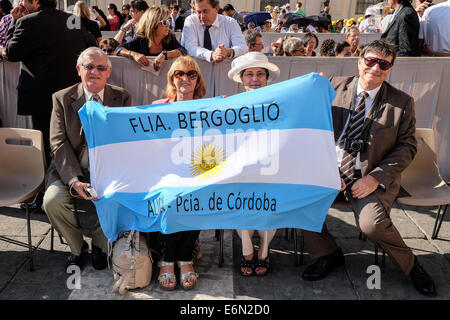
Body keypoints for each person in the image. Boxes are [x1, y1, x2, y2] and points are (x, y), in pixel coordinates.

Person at [301, 40, 436, 297]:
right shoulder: (331, 87)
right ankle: (327, 254)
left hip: (369, 177)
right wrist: (327, 170)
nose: (375, 68)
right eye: (370, 60)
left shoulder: (402, 102)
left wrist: (375, 178)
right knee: (302, 201)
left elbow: (407, 146)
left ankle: (411, 266)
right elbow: (308, 128)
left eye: (383, 64)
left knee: (372, 225)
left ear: (390, 69)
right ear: (359, 60)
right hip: (330, 170)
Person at [42, 47, 132, 271]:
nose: (94, 72)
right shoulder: (62, 98)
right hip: (69, 168)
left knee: (117, 197)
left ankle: (101, 246)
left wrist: (113, 124)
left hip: (107, 170)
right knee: (51, 201)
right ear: (78, 70)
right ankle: (77, 248)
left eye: (101, 67)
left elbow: (127, 143)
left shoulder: (121, 97)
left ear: (108, 72)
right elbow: (58, 143)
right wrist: (73, 180)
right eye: (89, 67)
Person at [0, 0, 97, 167]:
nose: (22, 3)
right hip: (71, 92)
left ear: (36, 1)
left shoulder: (26, 22)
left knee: (46, 141)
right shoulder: (72, 19)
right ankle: (68, 180)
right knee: (71, 139)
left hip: (41, 95)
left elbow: (11, 53)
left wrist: (14, 22)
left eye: (24, 0)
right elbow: (92, 45)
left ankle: (50, 182)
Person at [151, 56, 206, 290]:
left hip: (198, 173)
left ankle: (185, 257)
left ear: (198, 79)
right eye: (179, 74)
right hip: (165, 173)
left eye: (191, 74)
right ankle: (167, 258)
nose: (185, 78)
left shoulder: (209, 108)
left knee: (201, 192)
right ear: (172, 79)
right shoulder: (157, 107)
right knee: (170, 194)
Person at [227, 52, 280, 276]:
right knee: (241, 199)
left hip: (272, 170)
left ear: (267, 78)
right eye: (249, 74)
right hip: (240, 172)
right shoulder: (229, 106)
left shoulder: (279, 104)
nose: (255, 79)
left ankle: (264, 252)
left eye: (260, 74)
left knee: (271, 198)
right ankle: (248, 251)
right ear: (241, 78)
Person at [115, 6, 187, 72]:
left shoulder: (169, 38)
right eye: (165, 22)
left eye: (169, 21)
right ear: (153, 24)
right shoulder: (140, 39)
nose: (169, 25)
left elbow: (183, 51)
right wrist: (133, 54)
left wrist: (165, 54)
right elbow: (118, 49)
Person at [182, 0, 247, 63]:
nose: (202, 16)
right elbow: (190, 47)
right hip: (198, 72)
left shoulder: (230, 23)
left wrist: (228, 52)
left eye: (205, 11)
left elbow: (243, 47)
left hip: (224, 72)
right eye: (199, 12)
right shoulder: (191, 21)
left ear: (216, 9)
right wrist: (211, 55)